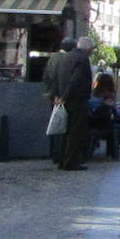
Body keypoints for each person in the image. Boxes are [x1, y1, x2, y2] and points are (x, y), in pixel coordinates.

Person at [57, 37, 95, 171]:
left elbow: (59, 77)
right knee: (75, 132)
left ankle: (62, 160)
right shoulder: (82, 59)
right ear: (88, 49)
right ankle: (71, 162)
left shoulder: (66, 57)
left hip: (65, 99)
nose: (92, 52)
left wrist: (60, 95)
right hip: (77, 100)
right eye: (92, 49)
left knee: (65, 132)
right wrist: (66, 96)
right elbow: (76, 79)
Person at [42, 37, 76, 166]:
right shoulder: (65, 59)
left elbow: (46, 76)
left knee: (55, 123)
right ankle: (58, 154)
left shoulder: (53, 58)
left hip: (53, 96)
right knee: (61, 125)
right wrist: (58, 95)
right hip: (61, 97)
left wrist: (49, 93)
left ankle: (54, 152)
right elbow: (59, 78)